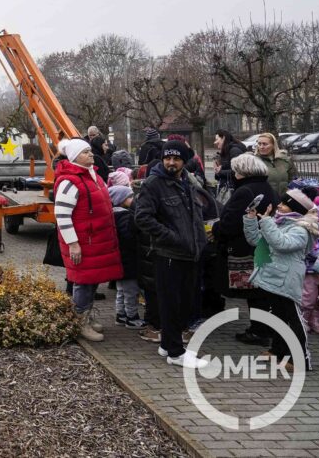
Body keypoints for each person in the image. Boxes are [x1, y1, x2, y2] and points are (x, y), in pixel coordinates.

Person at [134, 139, 209, 369]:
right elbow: (143, 217)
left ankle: (167, 344)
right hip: (168, 253)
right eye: (167, 158)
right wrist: (170, 237)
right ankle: (176, 352)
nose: (171, 162)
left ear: (184, 161)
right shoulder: (154, 184)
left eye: (176, 158)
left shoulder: (188, 181)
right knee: (171, 304)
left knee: (185, 303)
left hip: (190, 253)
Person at [52, 139, 123, 341]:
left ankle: (87, 317)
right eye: (85, 152)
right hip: (82, 244)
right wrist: (73, 243)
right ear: (75, 157)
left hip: (95, 242)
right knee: (83, 283)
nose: (91, 154)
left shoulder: (92, 175)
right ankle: (79, 321)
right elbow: (62, 215)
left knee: (91, 283)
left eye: (90, 151)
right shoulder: (69, 181)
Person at [243, 190, 319, 372]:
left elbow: (282, 244)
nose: (279, 206)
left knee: (293, 320)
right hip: (273, 278)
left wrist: (267, 221)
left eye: (284, 204)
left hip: (287, 281)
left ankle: (301, 359)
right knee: (276, 318)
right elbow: (256, 240)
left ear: (295, 209)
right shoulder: (280, 223)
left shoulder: (301, 229)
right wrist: (251, 219)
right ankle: (278, 351)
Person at [210, 153, 281, 346]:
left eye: (235, 171)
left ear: (242, 172)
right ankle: (263, 329)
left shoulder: (244, 191)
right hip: (262, 245)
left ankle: (259, 331)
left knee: (253, 293)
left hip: (243, 247)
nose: (233, 174)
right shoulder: (267, 187)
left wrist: (216, 229)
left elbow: (231, 222)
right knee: (260, 292)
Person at [110, 185, 143, 328]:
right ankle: (132, 317)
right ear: (120, 200)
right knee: (131, 291)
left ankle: (121, 315)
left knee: (122, 290)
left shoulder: (113, 215)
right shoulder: (124, 216)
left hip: (120, 260)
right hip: (128, 260)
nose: (133, 199)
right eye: (129, 197)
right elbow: (128, 237)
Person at [254, 133, 297, 198]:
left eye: (265, 144)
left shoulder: (285, 160)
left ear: (273, 145)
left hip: (284, 200)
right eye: (259, 144)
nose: (261, 147)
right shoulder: (253, 161)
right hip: (265, 201)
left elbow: (292, 179)